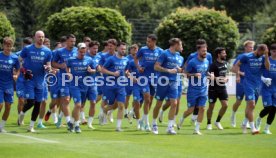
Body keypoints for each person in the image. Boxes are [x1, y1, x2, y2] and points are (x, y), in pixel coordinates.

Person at [18, 31, 52, 132]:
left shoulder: (48, 51)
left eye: (42, 37)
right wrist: (23, 71)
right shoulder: (27, 49)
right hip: (29, 80)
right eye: (39, 37)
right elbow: (19, 60)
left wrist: (48, 68)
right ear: (34, 38)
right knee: (31, 102)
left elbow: (48, 65)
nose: (41, 38)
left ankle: (31, 126)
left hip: (40, 81)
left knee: (38, 103)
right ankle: (22, 113)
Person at [177, 41, 212, 135]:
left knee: (202, 108)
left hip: (203, 89)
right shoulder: (192, 62)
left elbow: (206, 72)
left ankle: (197, 129)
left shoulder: (207, 61)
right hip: (193, 90)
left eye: (206, 50)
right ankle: (182, 118)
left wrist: (211, 75)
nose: (205, 52)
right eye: (203, 51)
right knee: (191, 110)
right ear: (198, 51)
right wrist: (194, 74)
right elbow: (185, 74)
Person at [234, 44, 270, 134]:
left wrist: (266, 56)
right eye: (261, 53)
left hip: (258, 84)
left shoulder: (263, 57)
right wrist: (238, 76)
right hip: (248, 83)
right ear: (257, 50)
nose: (261, 54)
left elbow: (268, 67)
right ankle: (253, 128)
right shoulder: (247, 56)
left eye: (263, 53)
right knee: (252, 104)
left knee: (250, 107)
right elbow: (237, 65)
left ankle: (245, 123)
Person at [152, 38, 183, 135]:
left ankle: (169, 127)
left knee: (174, 103)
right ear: (175, 44)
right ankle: (154, 124)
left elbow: (179, 69)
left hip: (173, 82)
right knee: (158, 104)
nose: (181, 47)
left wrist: (179, 69)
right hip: (163, 82)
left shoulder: (178, 56)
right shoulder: (165, 53)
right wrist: (168, 70)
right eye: (180, 45)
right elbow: (156, 66)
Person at [134, 34, 163, 131]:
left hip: (154, 78)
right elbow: (136, 58)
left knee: (150, 101)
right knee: (146, 98)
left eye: (149, 41)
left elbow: (163, 62)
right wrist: (138, 67)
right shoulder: (143, 49)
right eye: (147, 41)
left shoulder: (160, 51)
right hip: (144, 77)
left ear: (154, 42)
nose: (147, 43)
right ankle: (147, 124)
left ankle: (143, 119)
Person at [66, 43, 97, 133]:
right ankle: (76, 125)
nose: (82, 54)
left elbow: (95, 69)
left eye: (84, 52)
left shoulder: (89, 60)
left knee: (80, 106)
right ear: (77, 51)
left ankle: (71, 122)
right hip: (74, 85)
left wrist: (91, 71)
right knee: (78, 105)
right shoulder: (71, 60)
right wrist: (68, 73)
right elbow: (67, 67)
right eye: (81, 52)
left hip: (85, 85)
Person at [52, 34, 77, 131]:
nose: (73, 43)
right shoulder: (59, 52)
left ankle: (59, 118)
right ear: (66, 41)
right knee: (66, 100)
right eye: (71, 41)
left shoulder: (76, 51)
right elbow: (53, 63)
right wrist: (60, 65)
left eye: (74, 41)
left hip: (75, 79)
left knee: (69, 101)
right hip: (63, 79)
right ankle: (69, 122)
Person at [101, 42, 129, 131]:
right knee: (112, 105)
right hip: (110, 85)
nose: (123, 51)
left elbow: (126, 71)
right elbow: (102, 69)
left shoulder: (126, 60)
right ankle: (104, 111)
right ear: (117, 49)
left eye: (124, 49)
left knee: (121, 105)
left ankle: (118, 127)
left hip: (121, 85)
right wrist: (113, 73)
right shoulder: (111, 59)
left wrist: (128, 75)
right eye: (122, 49)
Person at [230, 40, 255, 128]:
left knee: (250, 103)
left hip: (251, 84)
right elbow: (232, 69)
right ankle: (233, 115)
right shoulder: (241, 56)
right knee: (238, 102)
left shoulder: (255, 58)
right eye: (250, 47)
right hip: (241, 82)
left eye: (252, 47)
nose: (251, 48)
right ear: (245, 47)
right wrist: (240, 74)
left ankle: (246, 122)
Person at [0, 37, 20, 133]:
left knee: (8, 106)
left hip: (9, 85)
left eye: (10, 46)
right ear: (3, 45)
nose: (8, 48)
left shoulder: (15, 58)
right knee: (0, 105)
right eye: (6, 46)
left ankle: (1, 127)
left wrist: (16, 74)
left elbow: (18, 69)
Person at [255, 44, 276, 134]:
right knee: (268, 107)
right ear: (270, 51)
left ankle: (266, 128)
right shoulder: (264, 58)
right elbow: (256, 72)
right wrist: (263, 79)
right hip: (266, 88)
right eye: (274, 51)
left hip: (275, 88)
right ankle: (259, 119)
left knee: (274, 108)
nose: (275, 53)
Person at [206, 47, 229, 130]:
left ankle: (217, 121)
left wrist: (226, 78)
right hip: (213, 88)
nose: (225, 54)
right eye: (223, 53)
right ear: (218, 54)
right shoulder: (213, 65)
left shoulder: (226, 63)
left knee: (225, 105)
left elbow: (225, 74)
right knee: (211, 107)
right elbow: (209, 77)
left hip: (222, 88)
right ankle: (209, 123)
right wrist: (218, 79)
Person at [15, 37, 32, 125]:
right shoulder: (17, 54)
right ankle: (19, 118)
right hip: (20, 80)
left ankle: (22, 115)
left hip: (29, 81)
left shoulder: (32, 55)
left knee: (27, 101)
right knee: (21, 99)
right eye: (25, 45)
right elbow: (14, 66)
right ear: (23, 45)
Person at [85, 41, 101, 129]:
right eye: (94, 48)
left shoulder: (98, 56)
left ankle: (90, 123)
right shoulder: (85, 56)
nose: (96, 50)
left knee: (93, 102)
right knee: (81, 104)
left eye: (97, 48)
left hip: (93, 82)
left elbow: (99, 68)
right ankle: (77, 119)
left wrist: (97, 70)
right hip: (82, 82)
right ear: (89, 48)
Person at [124, 44, 139, 119]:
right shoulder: (127, 58)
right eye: (133, 49)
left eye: (136, 49)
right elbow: (125, 71)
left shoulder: (140, 58)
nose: (135, 50)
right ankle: (125, 112)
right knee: (127, 97)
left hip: (137, 81)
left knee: (136, 98)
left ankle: (133, 112)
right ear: (130, 50)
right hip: (128, 80)